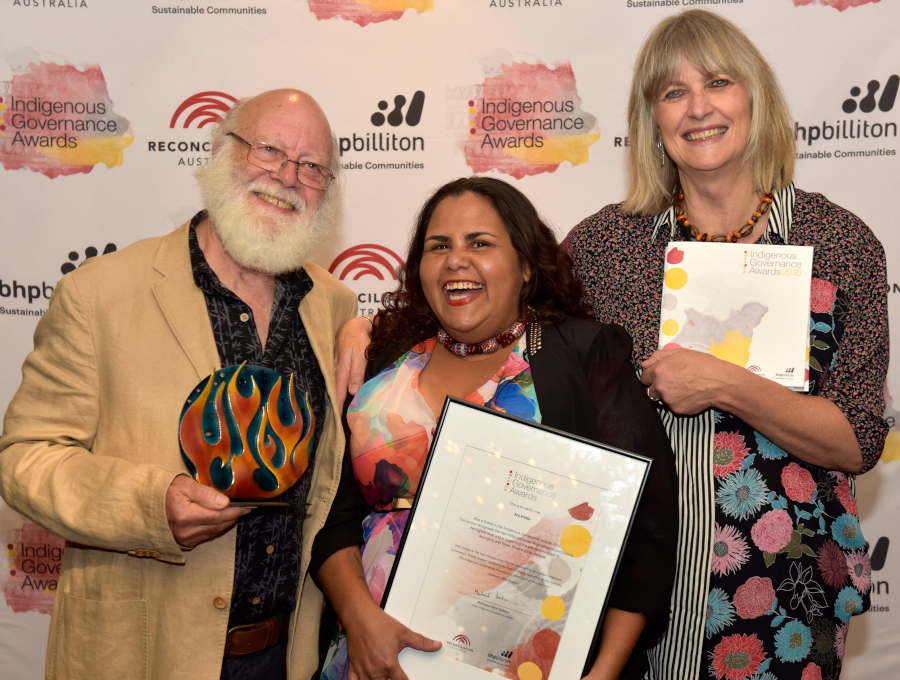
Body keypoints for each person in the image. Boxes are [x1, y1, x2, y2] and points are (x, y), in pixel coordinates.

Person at [562, 11, 889, 680]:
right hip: (630, 605)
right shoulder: (600, 248)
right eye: (672, 92)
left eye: (718, 82)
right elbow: (515, 351)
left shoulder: (841, 243)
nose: (698, 108)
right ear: (651, 118)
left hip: (784, 603)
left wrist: (724, 383)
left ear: (755, 99)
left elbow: (858, 439)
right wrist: (379, 328)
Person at [0, 89, 366, 680]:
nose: (287, 177)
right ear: (222, 150)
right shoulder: (101, 294)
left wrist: (367, 329)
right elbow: (25, 458)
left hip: (285, 654)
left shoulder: (335, 305)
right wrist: (150, 505)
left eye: (311, 166)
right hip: (142, 652)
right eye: (269, 149)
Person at [321, 177, 678, 680]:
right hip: (372, 658)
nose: (454, 260)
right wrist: (360, 624)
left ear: (527, 266)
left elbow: (646, 529)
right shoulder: (382, 363)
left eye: (480, 243)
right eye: (437, 246)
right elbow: (332, 516)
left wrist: (603, 671)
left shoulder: (582, 356)